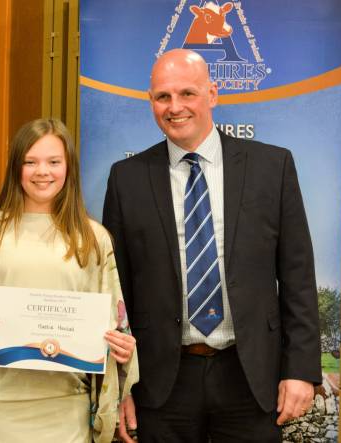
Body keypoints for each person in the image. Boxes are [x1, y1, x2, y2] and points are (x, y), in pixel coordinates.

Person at [102, 48, 321, 442]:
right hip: (161, 383)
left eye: (187, 93)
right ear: (150, 101)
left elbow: (298, 278)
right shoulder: (126, 178)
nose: (175, 107)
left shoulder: (273, 167)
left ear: (213, 95)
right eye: (162, 97)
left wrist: (302, 369)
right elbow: (117, 291)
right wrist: (119, 385)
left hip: (250, 376)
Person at [0, 119, 139, 443]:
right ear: (16, 167)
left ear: (69, 168)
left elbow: (115, 326)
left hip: (68, 409)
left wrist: (122, 348)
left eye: (53, 162)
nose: (41, 171)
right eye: (30, 162)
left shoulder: (93, 238)